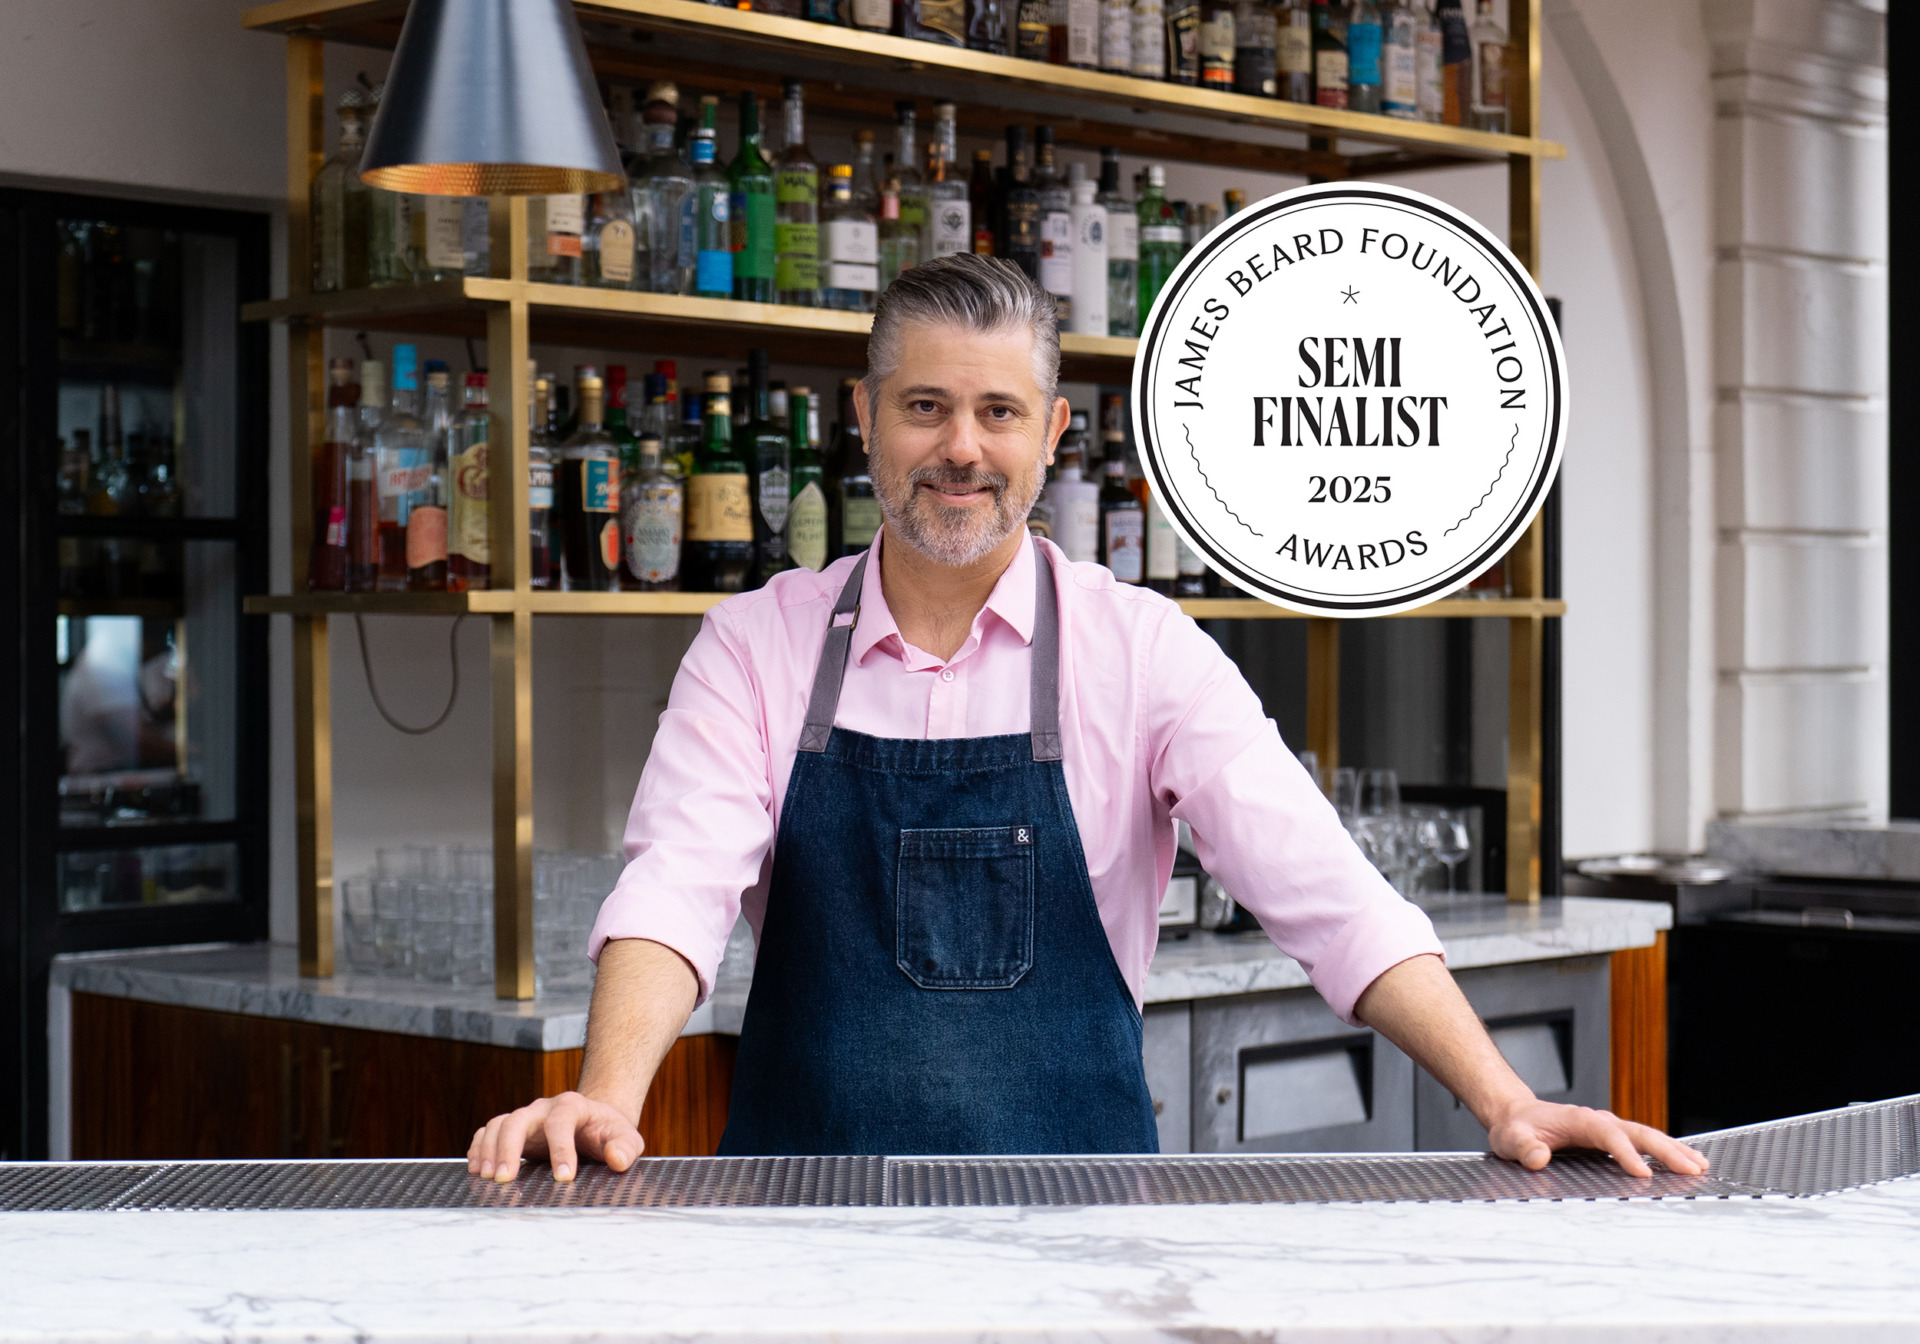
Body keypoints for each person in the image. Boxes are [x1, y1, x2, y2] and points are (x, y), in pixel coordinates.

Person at [470, 254, 1707, 1179]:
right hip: (808, 1227)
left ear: (1054, 435)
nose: (962, 448)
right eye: (925, 408)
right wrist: (609, 1099)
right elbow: (675, 888)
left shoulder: (1143, 650)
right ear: (863, 419)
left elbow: (1331, 897)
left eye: (999, 413)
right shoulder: (756, 645)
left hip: (1089, 1226)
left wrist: (1502, 1098)